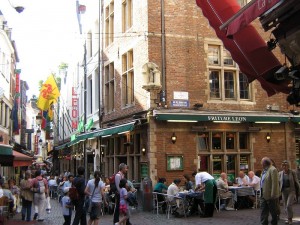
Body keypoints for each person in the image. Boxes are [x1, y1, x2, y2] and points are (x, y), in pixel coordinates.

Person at [260, 157, 280, 225]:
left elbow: (275, 183)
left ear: (265, 163)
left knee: (273, 212)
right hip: (263, 194)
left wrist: (273, 195)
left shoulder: (273, 170)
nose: (261, 164)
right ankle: (263, 223)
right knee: (263, 211)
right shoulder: (264, 170)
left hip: (271, 195)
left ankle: (274, 223)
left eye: (261, 162)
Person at [279, 160, 300, 224]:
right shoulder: (280, 173)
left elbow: (296, 182)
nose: (284, 167)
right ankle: (288, 218)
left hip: (291, 190)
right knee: (285, 205)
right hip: (283, 190)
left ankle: (290, 219)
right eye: (283, 166)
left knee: (288, 205)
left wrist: (298, 190)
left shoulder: (292, 172)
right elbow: (278, 183)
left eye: (285, 166)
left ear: (288, 166)